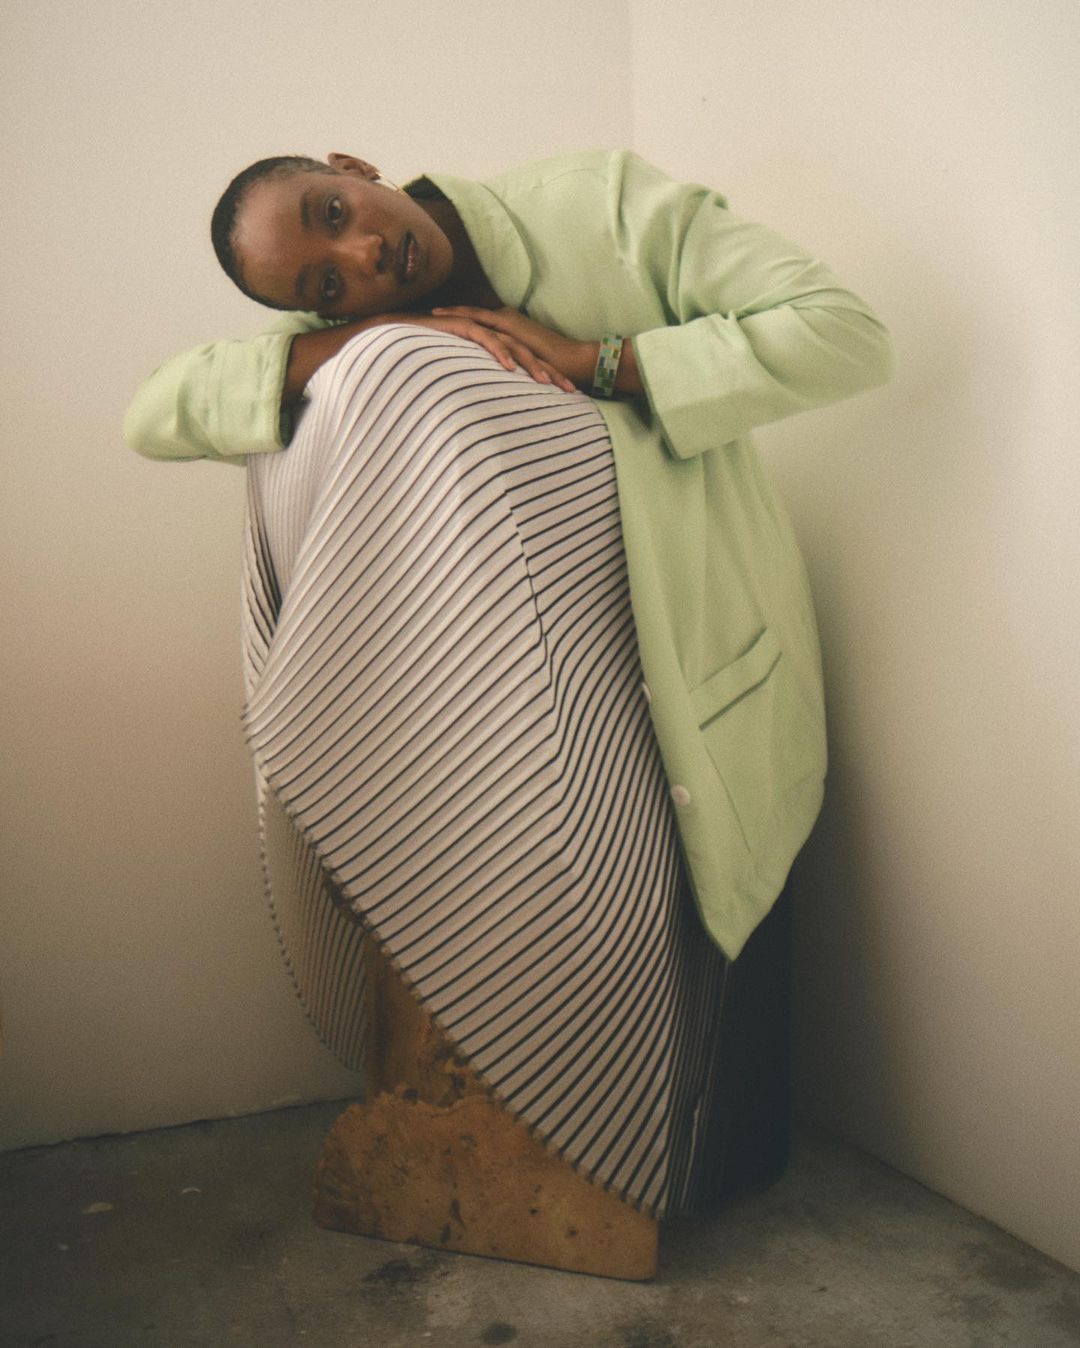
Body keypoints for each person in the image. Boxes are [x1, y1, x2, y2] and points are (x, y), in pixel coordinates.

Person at [125, 148, 894, 1216]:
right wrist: (359, 343)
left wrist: (597, 360)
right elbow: (154, 412)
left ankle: (655, 1156)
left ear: (354, 167)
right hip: (499, 714)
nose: (362, 254)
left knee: (692, 1023)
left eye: (336, 210)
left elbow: (845, 333)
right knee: (341, 401)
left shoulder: (603, 205)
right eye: (328, 284)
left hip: (681, 642)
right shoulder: (360, 327)